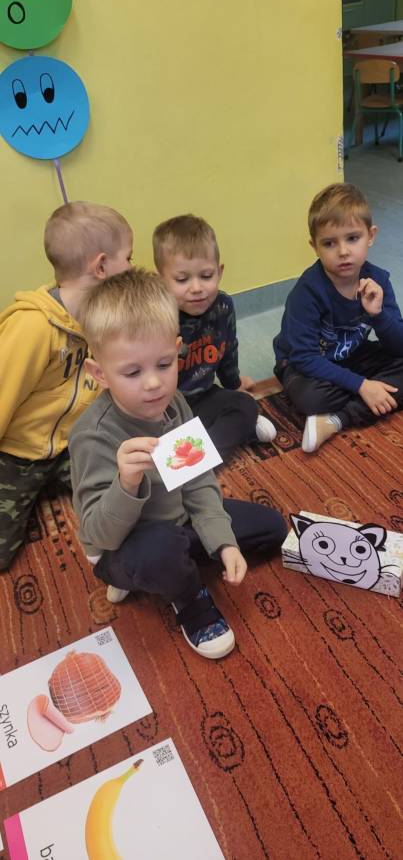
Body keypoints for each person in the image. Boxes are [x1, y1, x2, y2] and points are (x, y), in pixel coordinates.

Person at [69, 268, 287, 660]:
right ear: (100, 374)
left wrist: (222, 542)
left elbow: (198, 482)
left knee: (271, 529)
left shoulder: (175, 404)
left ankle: (177, 561)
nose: (154, 384)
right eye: (132, 372)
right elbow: (98, 536)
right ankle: (189, 598)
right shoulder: (92, 436)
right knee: (158, 550)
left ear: (177, 350)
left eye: (164, 364)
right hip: (122, 545)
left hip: (178, 522)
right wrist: (126, 483)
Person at [0, 201, 133, 570]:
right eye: (128, 258)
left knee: (132, 486)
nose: (132, 267)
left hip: (71, 445)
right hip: (17, 455)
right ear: (102, 266)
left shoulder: (100, 319)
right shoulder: (32, 328)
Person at [273, 183, 403, 452]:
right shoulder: (307, 292)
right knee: (311, 398)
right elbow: (304, 357)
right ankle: (363, 397)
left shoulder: (378, 279)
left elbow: (398, 346)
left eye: (352, 238)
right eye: (330, 243)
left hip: (352, 356)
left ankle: (336, 420)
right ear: (315, 247)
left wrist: (378, 316)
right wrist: (362, 385)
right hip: (303, 364)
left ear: (371, 236)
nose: (343, 251)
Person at [152, 214, 276, 459]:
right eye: (182, 279)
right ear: (161, 280)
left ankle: (194, 458)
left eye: (206, 276)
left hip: (203, 397)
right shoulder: (155, 317)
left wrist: (234, 385)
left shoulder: (223, 306)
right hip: (164, 409)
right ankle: (199, 453)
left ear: (219, 272)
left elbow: (228, 350)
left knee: (246, 405)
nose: (197, 288)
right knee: (142, 437)